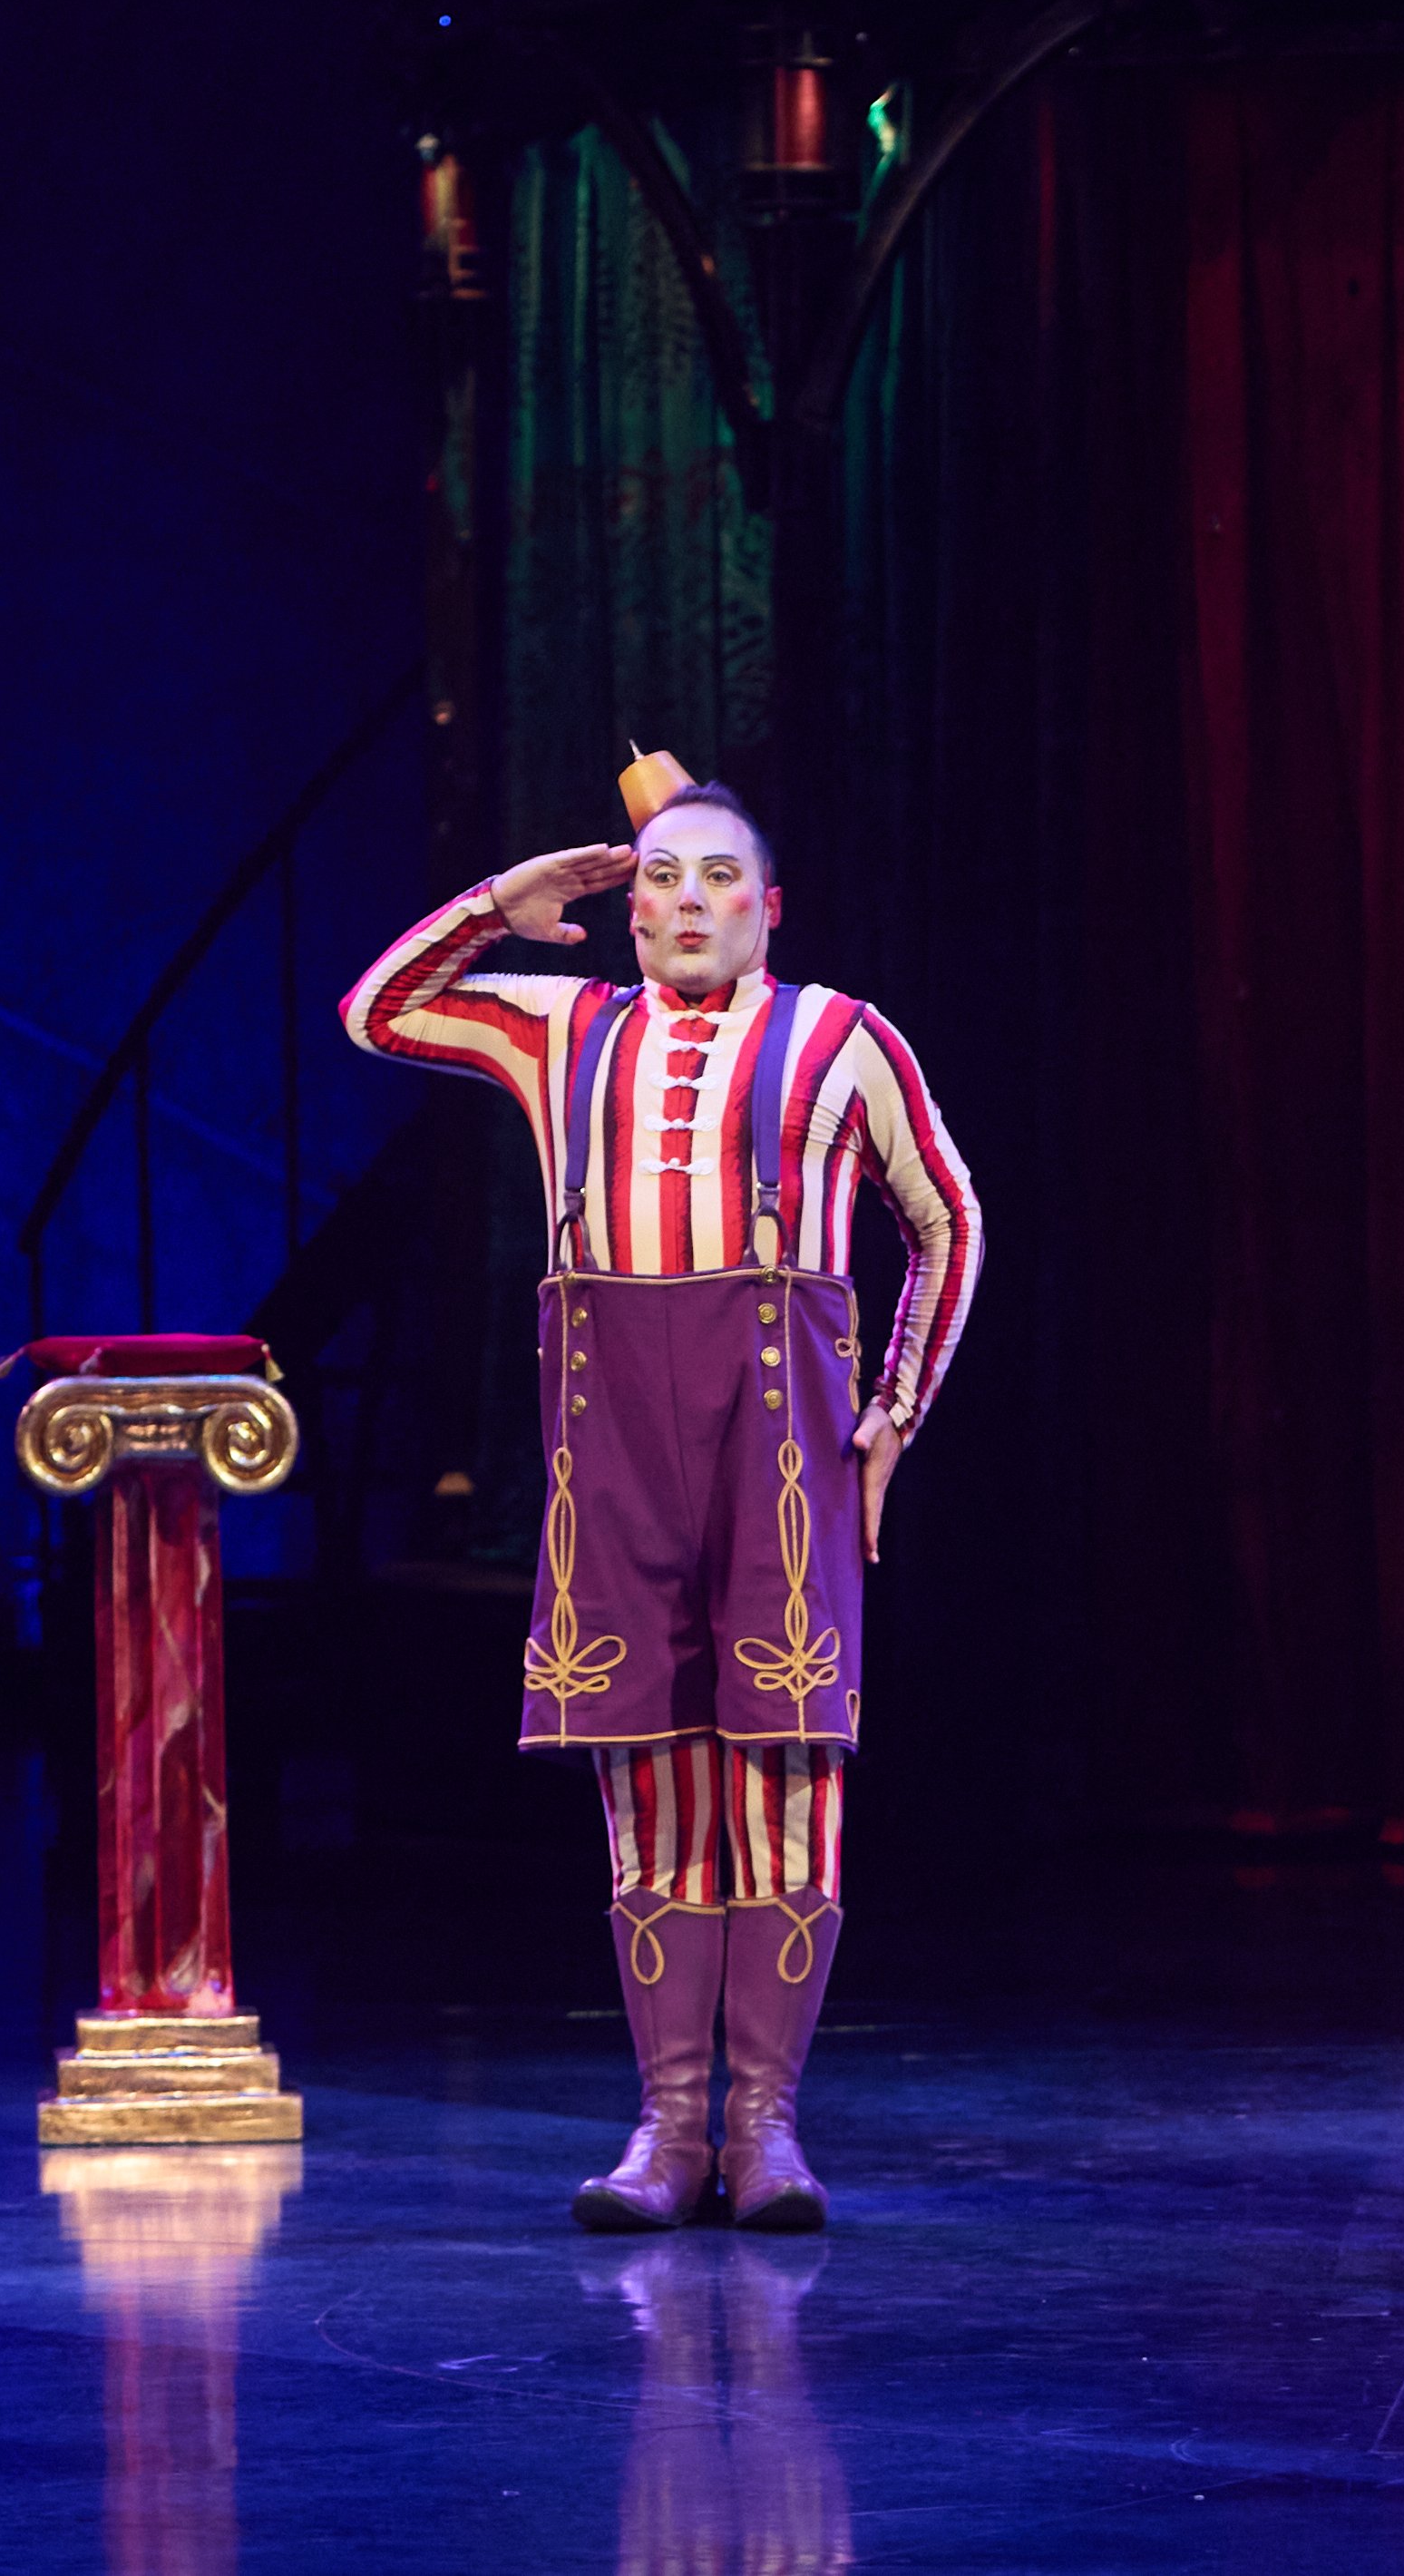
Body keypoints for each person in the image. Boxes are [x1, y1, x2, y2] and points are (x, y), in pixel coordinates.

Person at [345, 758, 980, 2231]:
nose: (684, 899)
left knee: (784, 1777)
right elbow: (375, 1011)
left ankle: (764, 2131)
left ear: (771, 906)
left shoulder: (842, 1039)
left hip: (780, 1435)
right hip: (618, 1425)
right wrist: (506, 903)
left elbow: (947, 1222)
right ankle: (668, 2128)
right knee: (654, 1779)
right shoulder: (562, 1027)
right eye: (656, 880)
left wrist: (891, 1420)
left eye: (714, 877)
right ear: (625, 912)